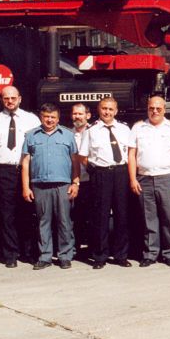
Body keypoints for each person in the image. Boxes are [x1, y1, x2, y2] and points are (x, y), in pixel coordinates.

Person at [0, 85, 40, 268]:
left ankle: (28, 252)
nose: (10, 101)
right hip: (4, 171)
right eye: (6, 98)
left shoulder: (32, 120)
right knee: (7, 214)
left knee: (28, 212)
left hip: (26, 170)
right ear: (1, 100)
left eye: (13, 98)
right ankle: (10, 255)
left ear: (20, 98)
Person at [128, 95, 170, 267]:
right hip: (144, 178)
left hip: (168, 177)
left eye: (158, 108)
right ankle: (150, 253)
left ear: (164, 108)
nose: (154, 111)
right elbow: (131, 155)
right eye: (151, 108)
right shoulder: (138, 128)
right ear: (147, 108)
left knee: (169, 218)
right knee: (149, 219)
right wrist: (132, 178)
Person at [21, 103, 80, 270]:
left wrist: (76, 183)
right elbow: (25, 163)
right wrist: (26, 187)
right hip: (40, 185)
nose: (50, 120)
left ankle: (65, 256)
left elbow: (75, 161)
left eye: (53, 117)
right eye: (46, 117)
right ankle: (45, 257)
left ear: (58, 118)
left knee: (64, 222)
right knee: (43, 222)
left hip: (63, 185)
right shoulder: (31, 136)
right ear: (41, 117)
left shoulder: (68, 135)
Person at [78, 97, 132, 269]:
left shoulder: (124, 128)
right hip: (101, 173)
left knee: (122, 214)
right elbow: (82, 155)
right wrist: (93, 171)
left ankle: (121, 255)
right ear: (98, 110)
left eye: (110, 109)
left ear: (116, 111)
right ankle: (100, 256)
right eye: (104, 109)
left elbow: (130, 152)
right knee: (100, 216)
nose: (107, 112)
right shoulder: (91, 130)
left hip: (121, 173)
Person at [70, 103, 92, 259]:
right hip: (74, 182)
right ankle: (75, 248)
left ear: (88, 116)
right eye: (75, 114)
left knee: (93, 217)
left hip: (92, 180)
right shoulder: (67, 134)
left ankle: (92, 248)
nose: (77, 117)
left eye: (80, 114)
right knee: (75, 216)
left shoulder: (95, 132)